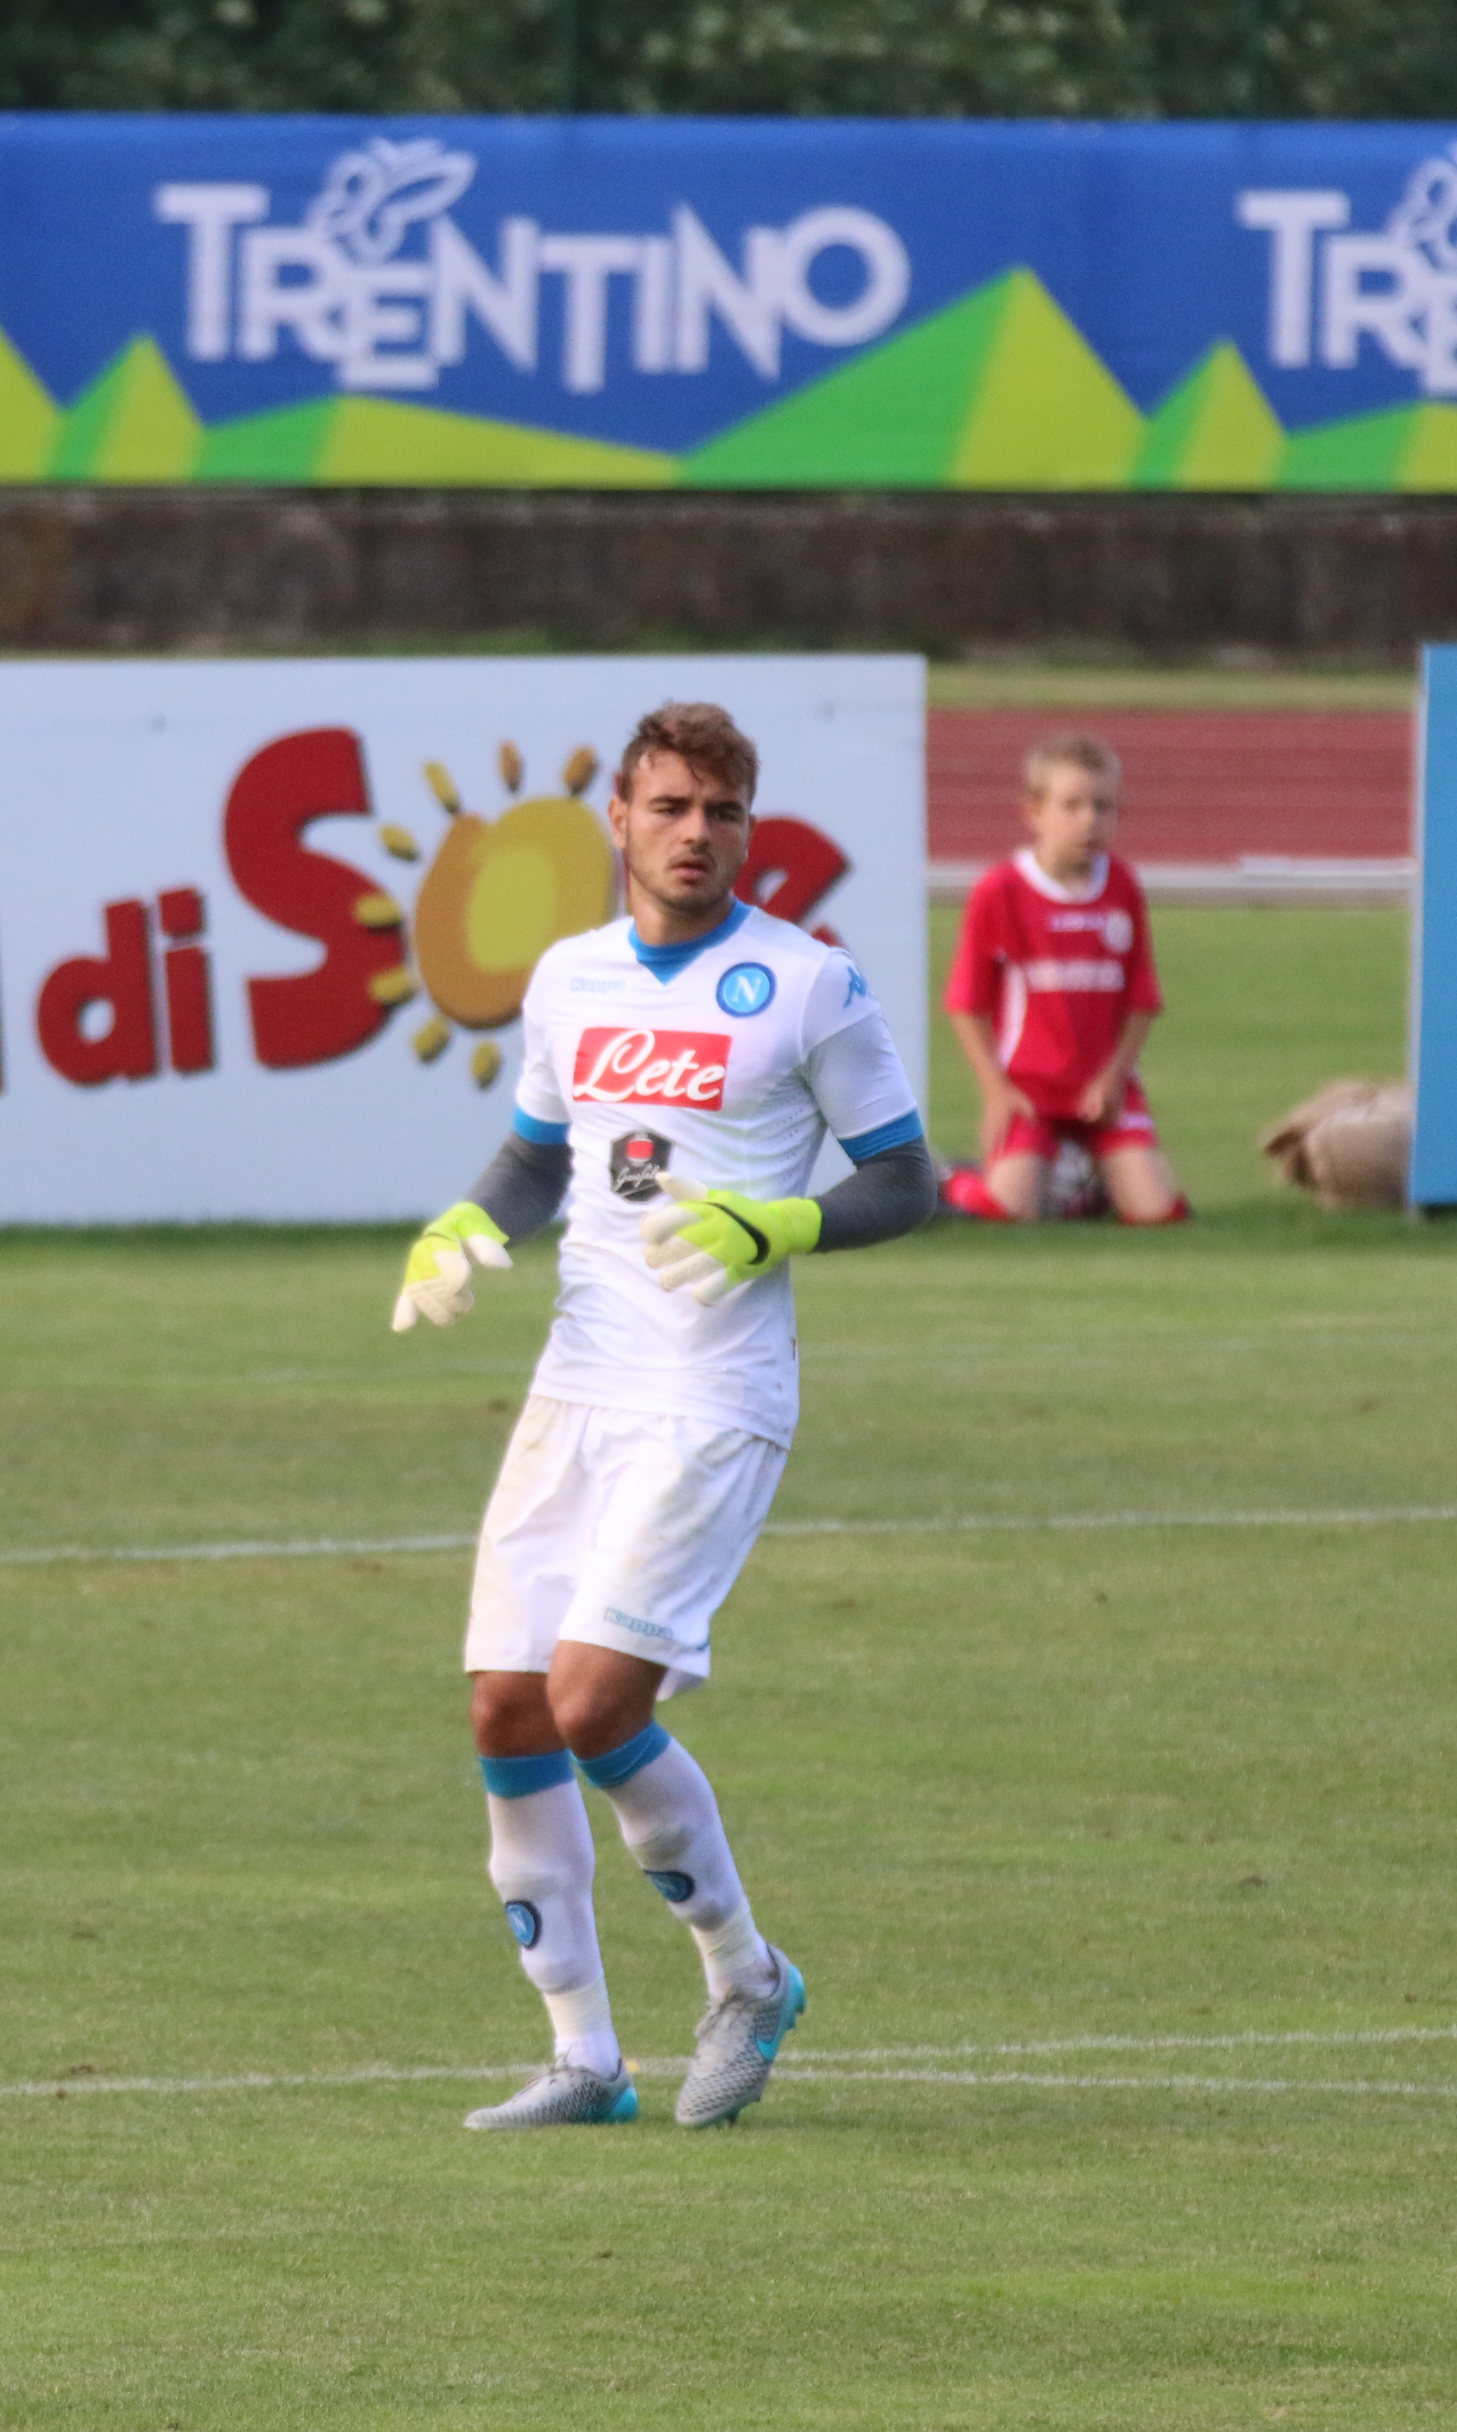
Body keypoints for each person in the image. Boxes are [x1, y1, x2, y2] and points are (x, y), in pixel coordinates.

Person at [389, 701, 937, 2131]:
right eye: (674, 807)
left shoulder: (810, 986)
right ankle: (584, 2058)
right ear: (619, 823)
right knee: (507, 1705)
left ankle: (745, 1976)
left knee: (592, 1701)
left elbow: (907, 1179)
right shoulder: (569, 980)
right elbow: (534, 1157)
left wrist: (784, 1224)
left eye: (725, 811)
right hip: (580, 1381)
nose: (699, 834)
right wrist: (461, 1223)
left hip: (712, 1394)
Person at [939, 733, 1188, 1225]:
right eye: (1071, 805)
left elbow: (1142, 1001)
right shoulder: (1000, 890)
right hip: (1030, 1091)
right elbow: (966, 1004)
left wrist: (1114, 1080)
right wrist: (996, 1091)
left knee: (1159, 1213)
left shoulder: (1121, 886)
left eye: (1103, 806)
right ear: (1034, 812)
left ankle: (1085, 1188)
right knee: (1007, 1212)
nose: (1089, 820)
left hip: (1105, 1090)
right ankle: (949, 1180)